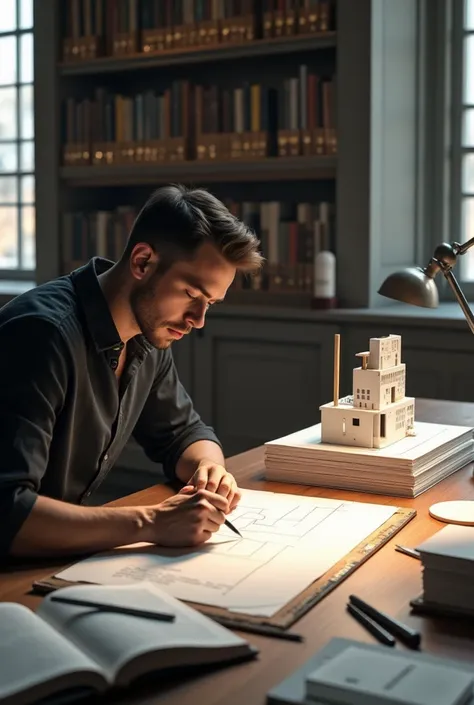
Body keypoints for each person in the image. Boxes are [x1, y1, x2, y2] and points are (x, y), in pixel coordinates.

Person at [0, 184, 263, 559]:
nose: (198, 320)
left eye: (210, 304)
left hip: (55, 557)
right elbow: (7, 510)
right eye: (191, 294)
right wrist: (151, 522)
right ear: (143, 262)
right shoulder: (41, 336)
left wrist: (208, 468)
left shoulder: (146, 333)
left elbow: (183, 434)